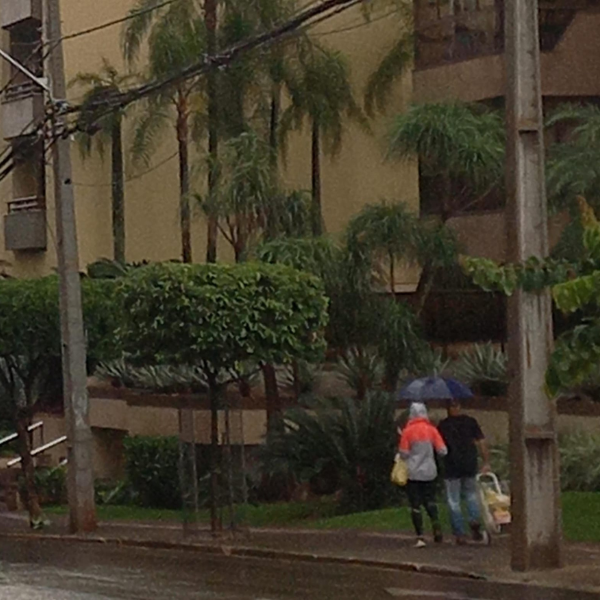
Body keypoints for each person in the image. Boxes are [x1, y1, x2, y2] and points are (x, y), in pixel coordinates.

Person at [437, 399, 491, 545]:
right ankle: (474, 521)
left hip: (451, 466)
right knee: (471, 495)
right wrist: (486, 462)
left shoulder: (443, 425)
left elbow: (438, 447)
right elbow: (481, 442)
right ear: (460, 407)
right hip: (469, 464)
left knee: (453, 500)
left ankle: (459, 533)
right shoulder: (470, 422)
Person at [398, 402, 447, 548]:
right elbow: (443, 450)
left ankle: (420, 536)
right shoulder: (432, 430)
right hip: (430, 472)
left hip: (413, 472)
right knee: (430, 500)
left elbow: (404, 453)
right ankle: (436, 526)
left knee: (415, 504)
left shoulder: (408, 431)